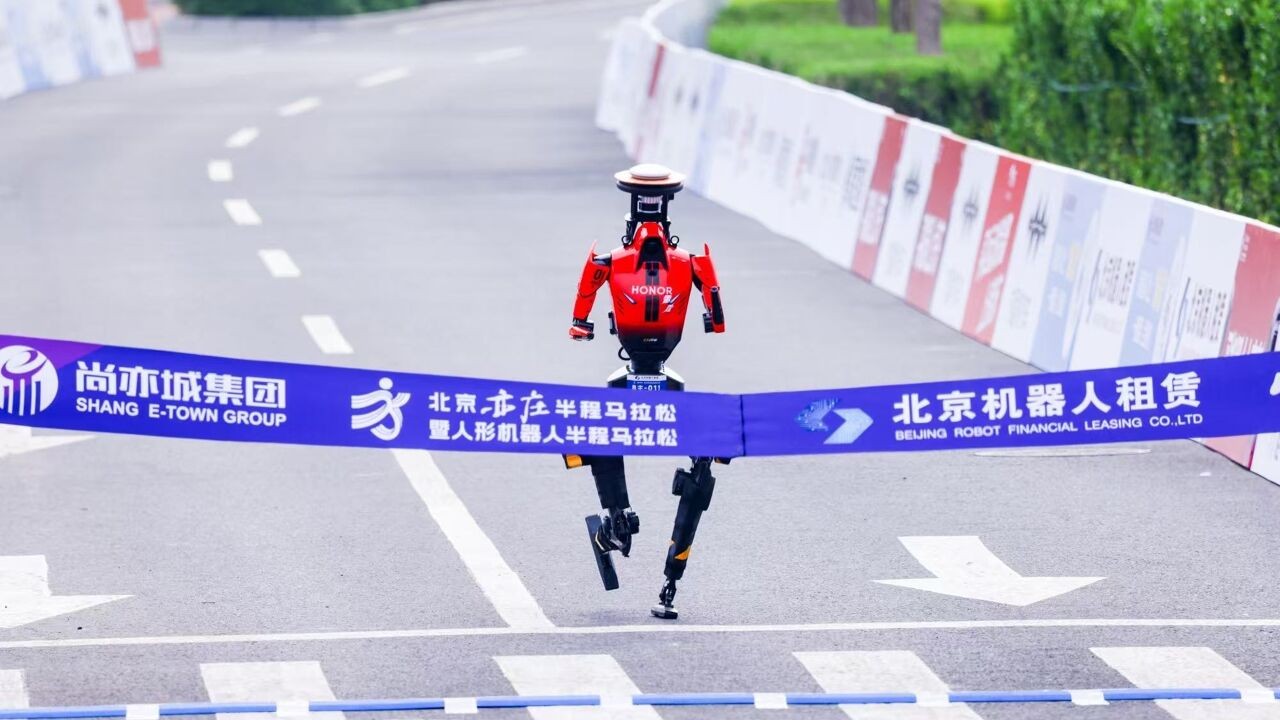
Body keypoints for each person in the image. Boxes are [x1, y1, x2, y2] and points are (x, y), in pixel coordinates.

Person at [564, 163, 726, 619]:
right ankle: (668, 583)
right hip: (670, 384)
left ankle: (615, 519)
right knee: (703, 461)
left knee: (595, 434)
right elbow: (715, 313)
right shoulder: (691, 262)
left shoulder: (608, 261)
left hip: (627, 379)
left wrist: (582, 326)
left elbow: (581, 311)